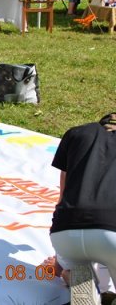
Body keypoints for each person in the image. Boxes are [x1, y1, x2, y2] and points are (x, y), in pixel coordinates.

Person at [49, 112, 116, 293]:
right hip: (111, 234)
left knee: (75, 267)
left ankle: (78, 279)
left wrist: (59, 259)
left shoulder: (75, 133)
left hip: (66, 234)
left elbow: (62, 196)